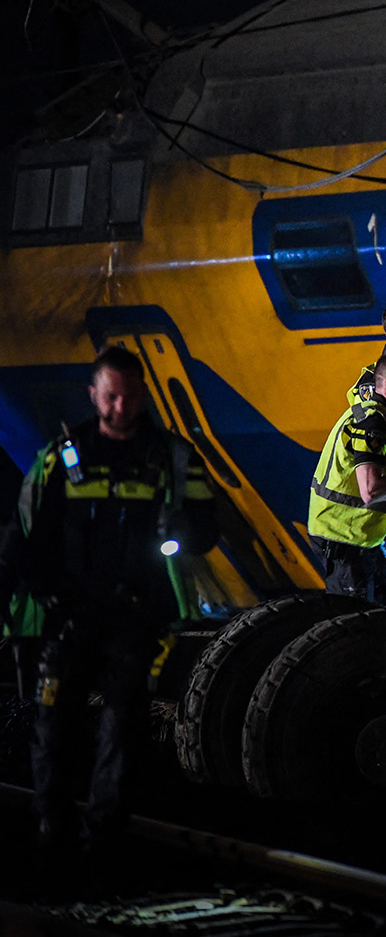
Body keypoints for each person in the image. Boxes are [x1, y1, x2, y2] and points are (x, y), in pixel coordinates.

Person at [0, 347, 218, 849]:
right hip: (68, 616)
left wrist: (184, 528)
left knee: (123, 730)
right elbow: (25, 534)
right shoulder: (61, 457)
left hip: (137, 618)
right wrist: (30, 589)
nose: (122, 407)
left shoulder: (172, 457)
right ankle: (51, 830)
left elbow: (209, 526)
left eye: (131, 396)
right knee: (52, 728)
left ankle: (103, 839)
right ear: (94, 395)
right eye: (112, 396)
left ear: (143, 394)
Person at [307, 346, 386, 606]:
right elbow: (370, 491)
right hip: (342, 536)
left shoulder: (380, 416)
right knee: (350, 621)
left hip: (353, 535)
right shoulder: (373, 422)